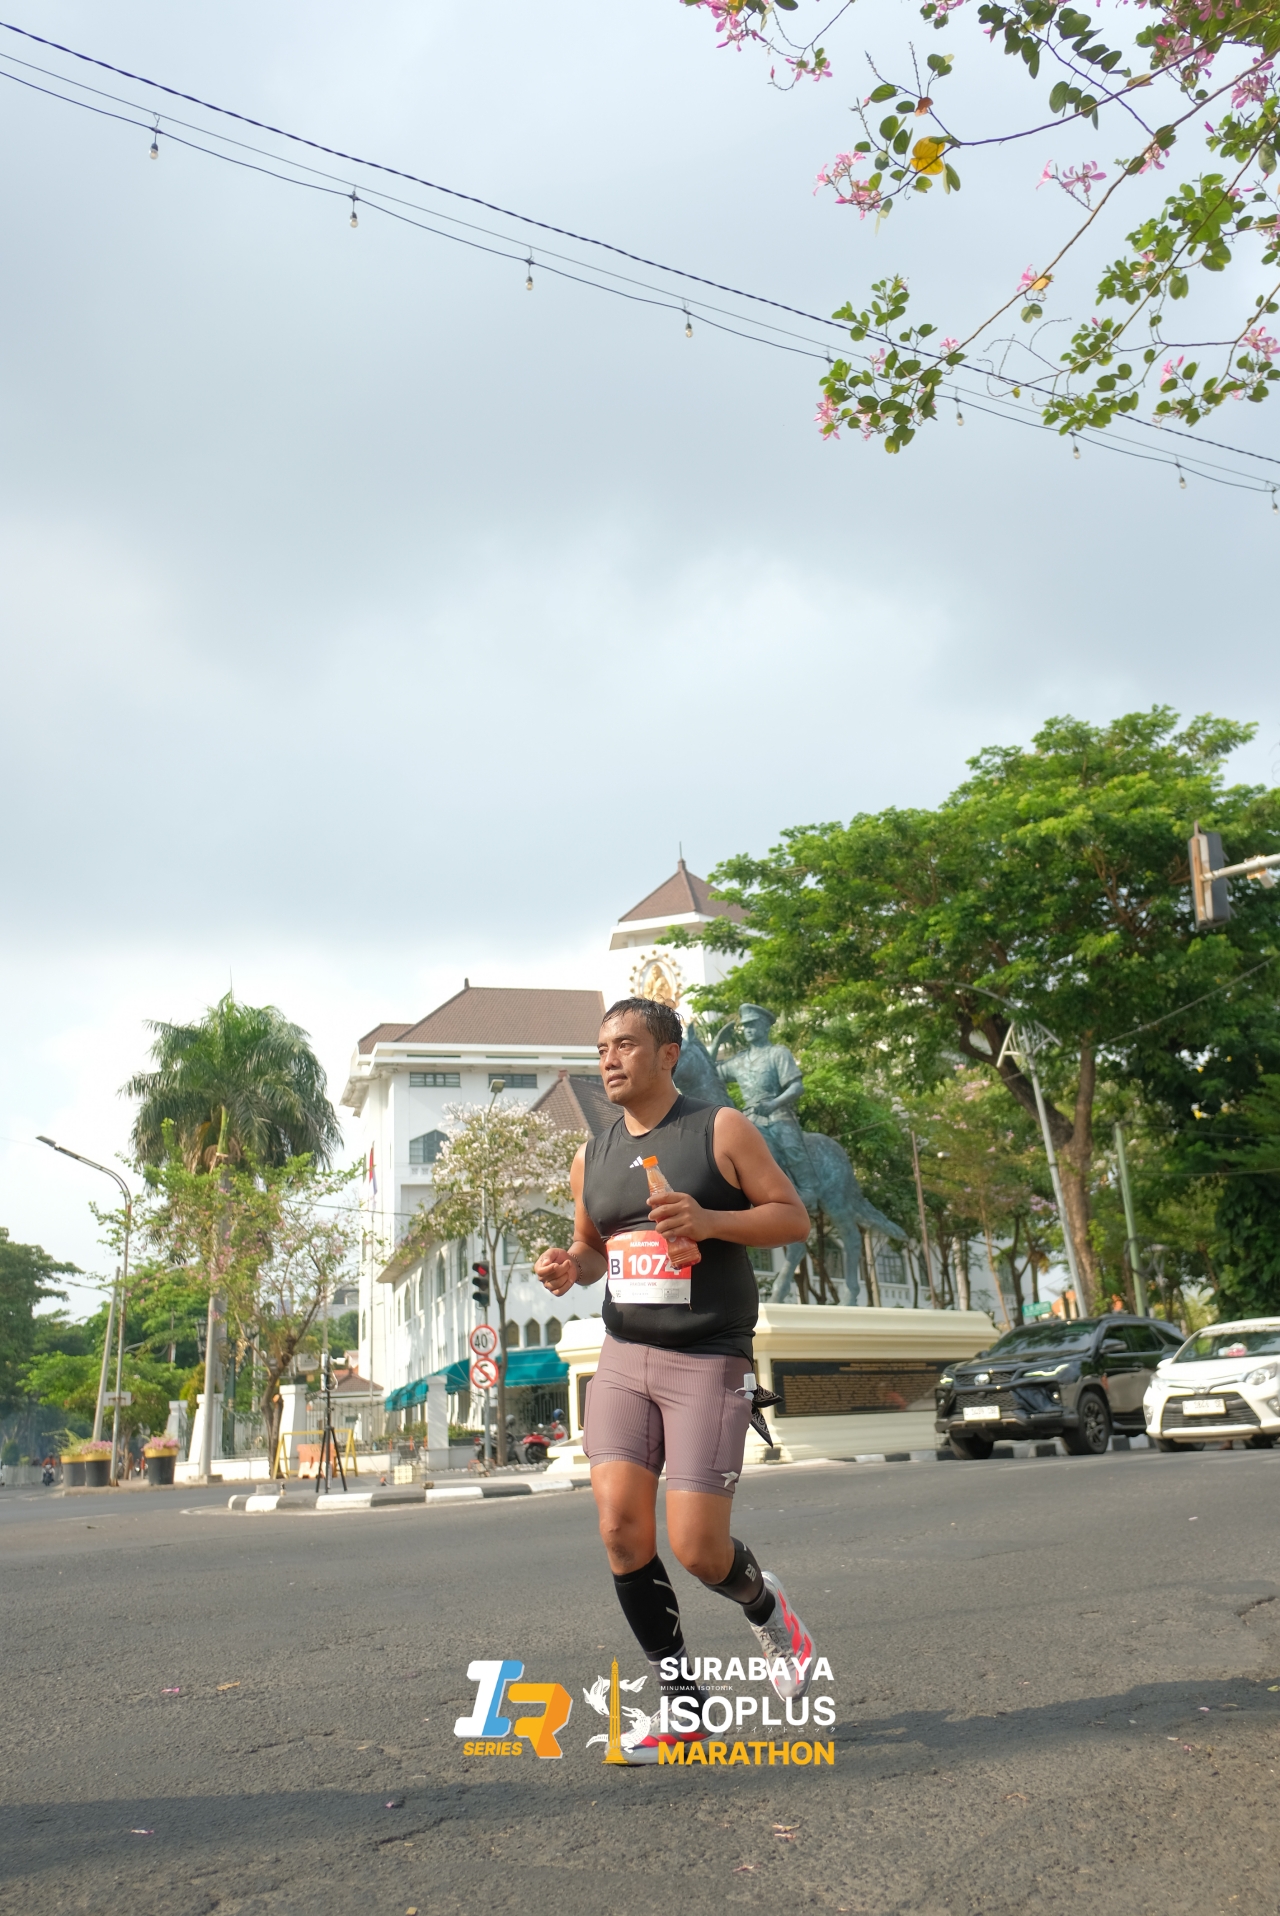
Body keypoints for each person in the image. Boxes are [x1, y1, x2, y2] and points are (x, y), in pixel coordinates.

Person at [535, 997, 818, 1764]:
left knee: (698, 1547)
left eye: (626, 1045)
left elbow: (791, 1217)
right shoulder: (590, 1156)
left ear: (668, 1054)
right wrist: (568, 1267)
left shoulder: (720, 1129)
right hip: (624, 1357)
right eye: (602, 1049)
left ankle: (766, 1607)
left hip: (709, 1356)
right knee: (620, 1532)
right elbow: (592, 1248)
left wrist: (710, 1221)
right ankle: (684, 1707)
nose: (609, 1059)